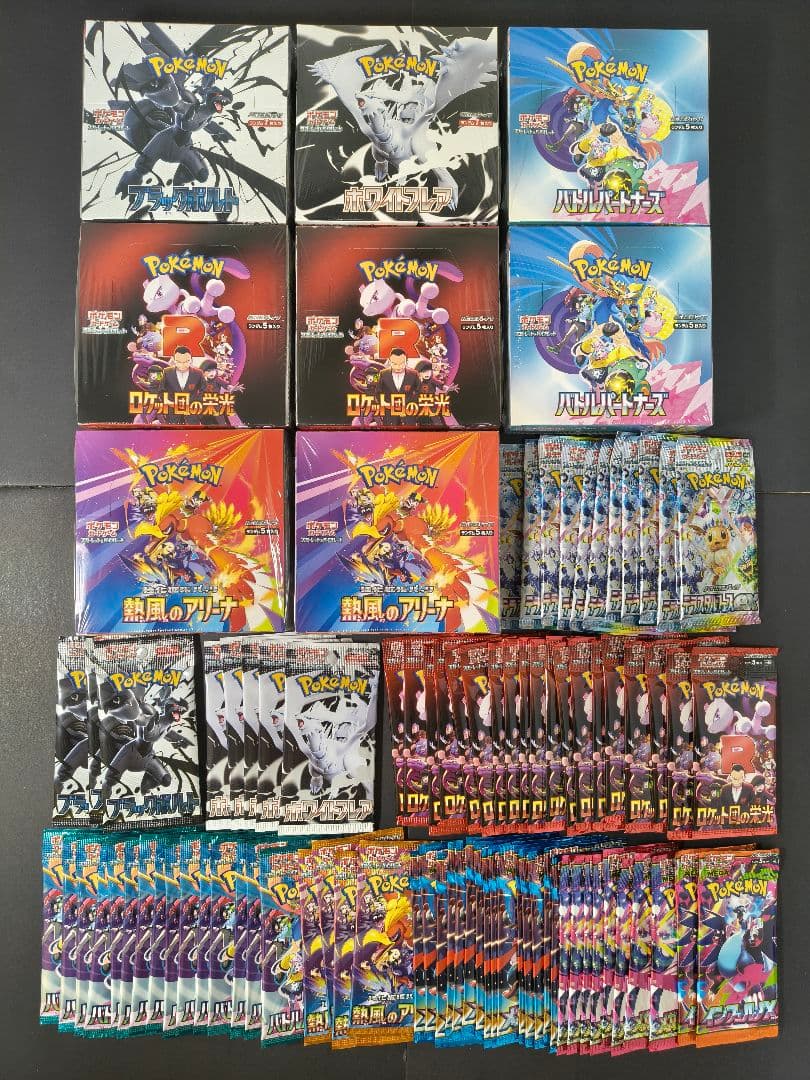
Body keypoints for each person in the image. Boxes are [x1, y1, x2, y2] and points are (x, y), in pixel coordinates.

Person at [376, 348, 419, 427]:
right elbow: (378, 392)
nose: (398, 367)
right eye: (395, 364)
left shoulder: (414, 374)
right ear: (390, 362)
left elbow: (419, 392)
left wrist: (411, 404)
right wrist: (384, 403)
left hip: (408, 413)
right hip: (389, 414)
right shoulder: (383, 374)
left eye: (402, 363)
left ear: (406, 362)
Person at [163, 345, 204, 423]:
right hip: (173, 412)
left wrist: (196, 402)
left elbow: (204, 390)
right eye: (179, 362)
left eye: (186, 361)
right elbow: (161, 390)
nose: (182, 365)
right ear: (174, 360)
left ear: (191, 360)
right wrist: (166, 400)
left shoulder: (198, 373)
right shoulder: (167, 372)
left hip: (192, 412)